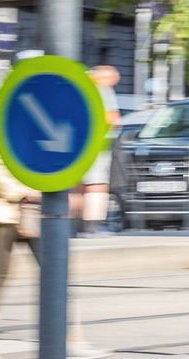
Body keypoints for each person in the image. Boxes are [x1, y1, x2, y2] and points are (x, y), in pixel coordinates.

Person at [0, 133, 108, 359]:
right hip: (4, 210)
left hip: (35, 212)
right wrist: (21, 192)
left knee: (57, 272)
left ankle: (72, 340)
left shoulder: (26, 125)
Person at [78, 65, 121, 236]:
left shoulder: (81, 88)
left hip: (77, 145)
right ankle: (92, 226)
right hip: (98, 145)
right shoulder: (102, 91)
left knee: (78, 185)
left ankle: (72, 226)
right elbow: (111, 119)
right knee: (97, 185)